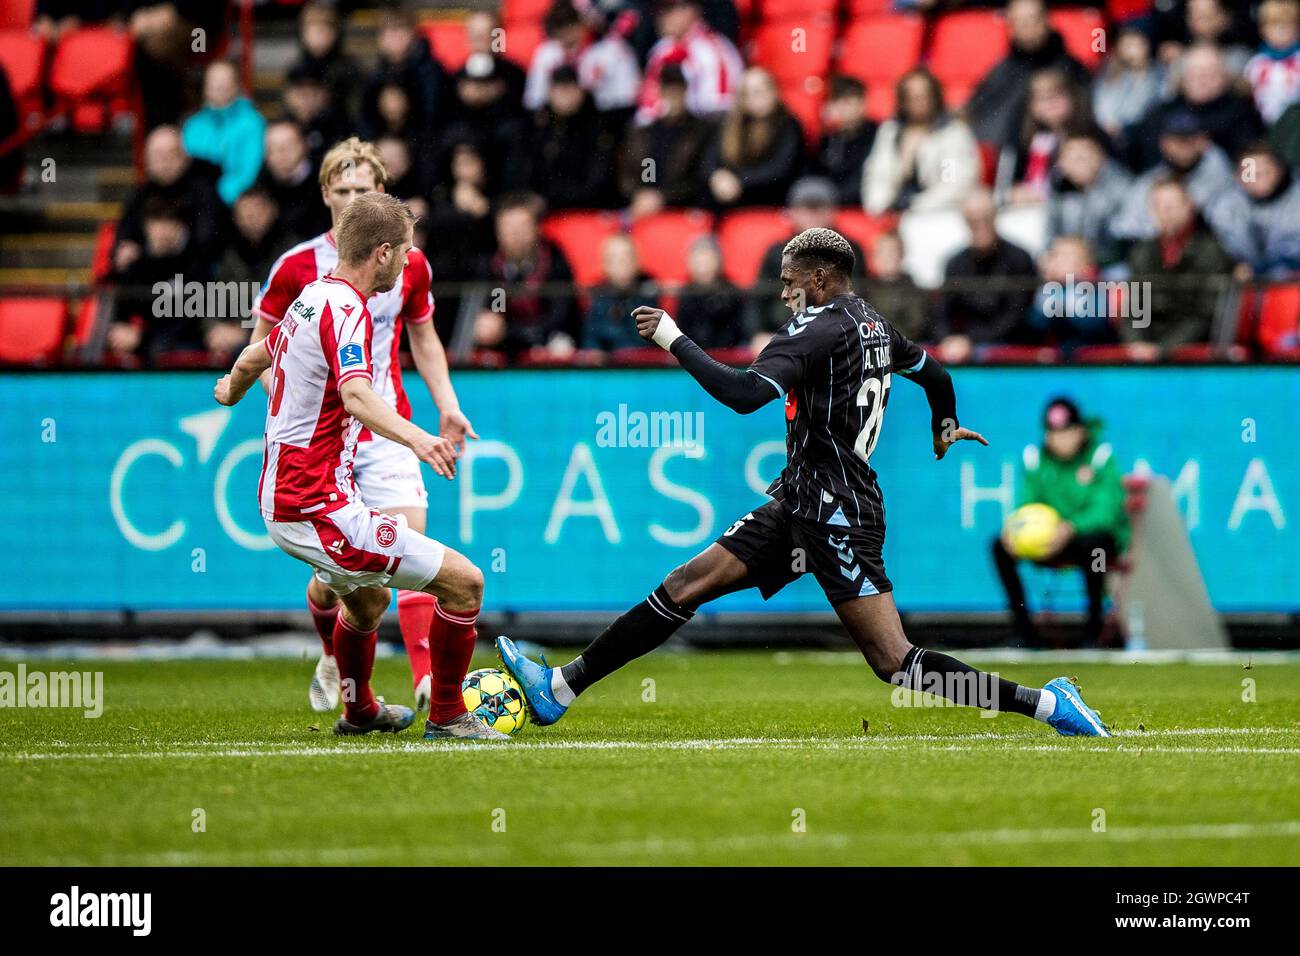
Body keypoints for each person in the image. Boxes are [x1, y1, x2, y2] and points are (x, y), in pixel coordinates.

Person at [498, 227, 1112, 738]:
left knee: (895, 663)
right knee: (685, 583)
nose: (784, 291)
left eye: (790, 280)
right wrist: (944, 423)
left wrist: (671, 338)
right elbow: (934, 372)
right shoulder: (875, 323)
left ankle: (1049, 705)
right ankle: (559, 687)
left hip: (837, 512)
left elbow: (742, 396)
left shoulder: (815, 329)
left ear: (819, 279)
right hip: (802, 500)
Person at [215, 192, 505, 740]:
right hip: (317, 505)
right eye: (406, 253)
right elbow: (356, 396)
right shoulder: (348, 309)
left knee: (369, 602)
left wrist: (230, 389)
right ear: (383, 253)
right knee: (465, 584)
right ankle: (447, 717)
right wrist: (420, 439)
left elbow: (259, 352)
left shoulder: (311, 297)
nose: (409, 263)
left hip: (297, 499)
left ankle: (359, 709)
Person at [991, 397, 1128, 647]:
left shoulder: (1100, 457)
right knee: (999, 546)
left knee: (1094, 547)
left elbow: (1106, 511)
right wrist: (1014, 530)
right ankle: (1025, 632)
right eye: (1053, 433)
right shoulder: (1037, 460)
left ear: (1080, 431)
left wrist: (1070, 527)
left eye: (1067, 432)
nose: (1060, 439)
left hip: (1094, 541)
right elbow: (1027, 504)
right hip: (1049, 540)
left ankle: (1094, 630)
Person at [1124, 176, 1235, 358]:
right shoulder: (1142, 252)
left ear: (1189, 206)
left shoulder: (1211, 252)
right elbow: (1134, 309)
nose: (1165, 211)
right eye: (1159, 205)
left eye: (1172, 205)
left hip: (1189, 347)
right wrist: (1137, 344)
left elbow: (1206, 315)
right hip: (1148, 348)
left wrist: (1163, 349)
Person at [930, 190, 1038, 364]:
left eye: (985, 217)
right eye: (973, 219)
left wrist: (970, 341)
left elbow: (1016, 316)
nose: (979, 224)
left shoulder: (1019, 259)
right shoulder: (955, 263)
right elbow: (941, 312)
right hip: (963, 344)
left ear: (995, 217)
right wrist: (947, 339)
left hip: (1006, 342)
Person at [965, 0, 1088, 150]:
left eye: (1032, 19)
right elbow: (975, 110)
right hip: (996, 153)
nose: (1027, 27)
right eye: (1019, 21)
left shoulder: (1070, 68)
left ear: (1047, 20)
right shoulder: (1001, 69)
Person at [862, 68, 979, 216]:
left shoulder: (953, 134)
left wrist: (916, 207)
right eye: (912, 97)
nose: (919, 101)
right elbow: (877, 173)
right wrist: (879, 207)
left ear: (935, 97)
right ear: (903, 101)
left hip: (936, 212)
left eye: (924, 96)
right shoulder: (890, 132)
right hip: (894, 210)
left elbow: (953, 182)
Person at [619, 63, 715, 216]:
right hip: (643, 209)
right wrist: (641, 194)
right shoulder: (646, 132)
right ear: (660, 92)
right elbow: (643, 171)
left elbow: (699, 177)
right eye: (668, 90)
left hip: (683, 210)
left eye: (678, 90)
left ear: (686, 92)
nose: (673, 96)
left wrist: (663, 197)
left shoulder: (700, 131)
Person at [703, 67, 804, 208]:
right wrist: (716, 176)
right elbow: (710, 159)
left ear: (774, 91)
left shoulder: (789, 124)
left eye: (762, 90)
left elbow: (780, 169)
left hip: (772, 194)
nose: (759, 97)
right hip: (732, 194)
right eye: (751, 93)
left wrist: (739, 181)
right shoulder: (730, 124)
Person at [635, 0, 744, 125]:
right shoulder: (660, 49)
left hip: (701, 135)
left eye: (669, 9)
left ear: (693, 10)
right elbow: (646, 112)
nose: (661, 17)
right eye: (659, 11)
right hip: (662, 133)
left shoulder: (713, 50)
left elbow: (719, 111)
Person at [1208, 142, 1300, 277]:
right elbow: (1219, 252)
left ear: (1280, 171)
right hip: (1244, 285)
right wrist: (1232, 267)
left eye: (1266, 171)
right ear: (1237, 176)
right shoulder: (1224, 208)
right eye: (1250, 173)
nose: (1259, 178)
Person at [181, 61, 267, 206]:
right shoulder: (193, 124)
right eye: (214, 81)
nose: (220, 86)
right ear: (205, 86)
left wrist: (218, 198)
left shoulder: (253, 123)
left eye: (226, 80)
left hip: (236, 203)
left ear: (237, 85)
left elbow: (250, 170)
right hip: (196, 203)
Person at [583, 235, 660, 352]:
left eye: (626, 257)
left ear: (637, 261)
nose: (621, 263)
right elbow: (591, 340)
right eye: (613, 259)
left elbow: (649, 340)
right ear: (604, 265)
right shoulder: (598, 296)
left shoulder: (650, 293)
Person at [814, 75, 877, 208]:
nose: (842, 108)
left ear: (863, 103)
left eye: (848, 101)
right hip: (831, 205)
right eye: (837, 101)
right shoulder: (830, 138)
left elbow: (863, 181)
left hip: (861, 205)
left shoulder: (877, 133)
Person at [1244, 0, 1300, 124]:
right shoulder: (1257, 63)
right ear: (1262, 30)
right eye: (1274, 26)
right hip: (1265, 124)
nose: (1280, 32)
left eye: (1286, 26)